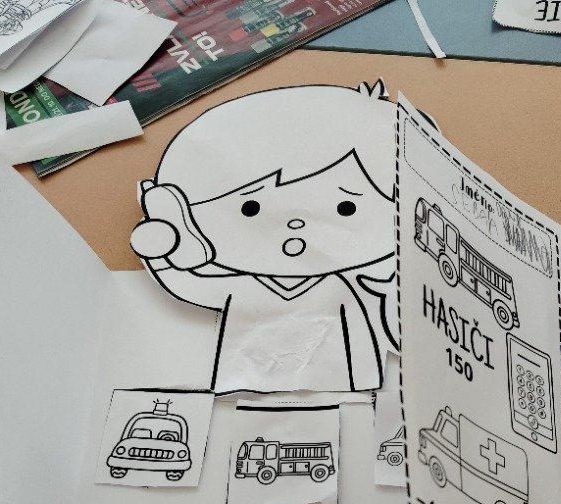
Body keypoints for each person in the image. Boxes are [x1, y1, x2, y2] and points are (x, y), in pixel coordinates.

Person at [130, 81, 397, 394]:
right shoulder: (242, 284)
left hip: (346, 389)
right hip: (246, 386)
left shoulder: (346, 284)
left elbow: (382, 322)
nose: (296, 222)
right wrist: (167, 248)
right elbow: (188, 283)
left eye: (346, 207)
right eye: (251, 207)